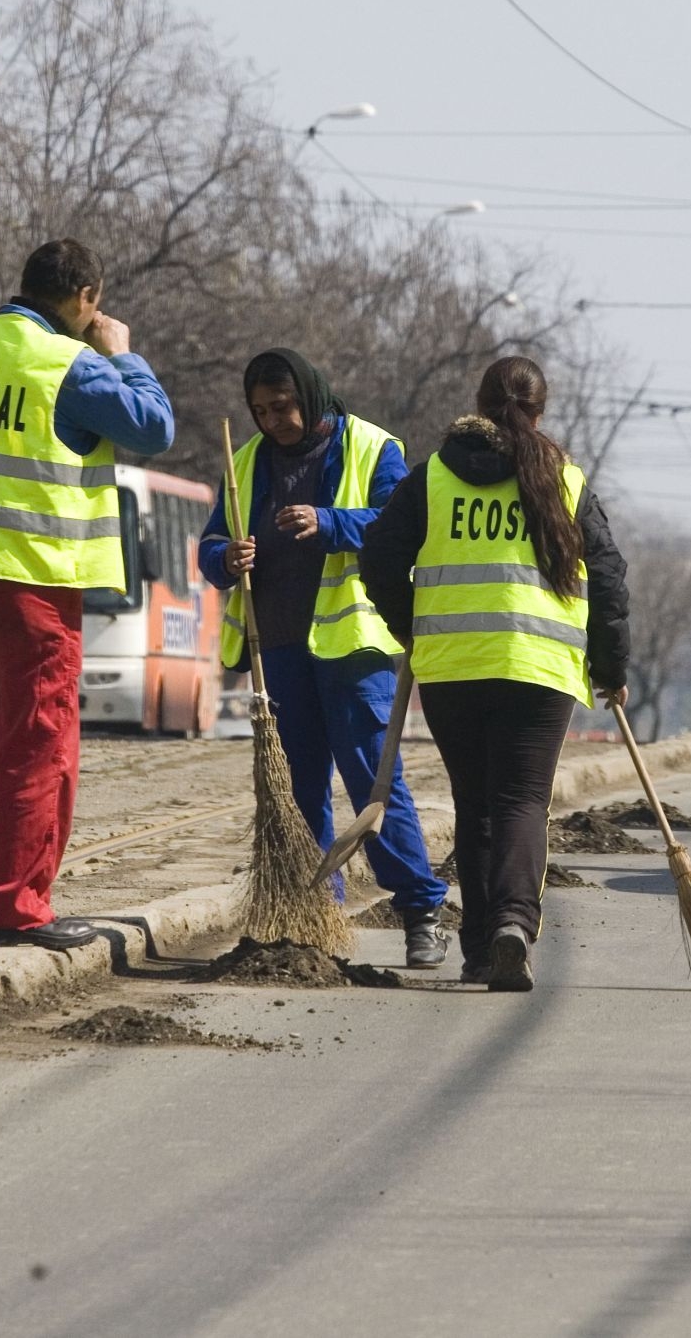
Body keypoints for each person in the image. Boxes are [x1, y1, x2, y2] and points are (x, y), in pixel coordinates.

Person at [0, 238, 174, 951]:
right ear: (86, 299)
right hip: (36, 579)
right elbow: (155, 427)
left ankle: (6, 895)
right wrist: (124, 353)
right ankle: (17, 910)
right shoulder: (72, 364)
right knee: (39, 743)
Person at [358, 356, 629, 992]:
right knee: (521, 801)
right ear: (540, 411)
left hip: (452, 669)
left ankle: (480, 950)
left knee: (475, 803)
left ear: (478, 405)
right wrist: (611, 667)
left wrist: (410, 626)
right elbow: (610, 578)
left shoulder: (432, 478)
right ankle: (513, 922)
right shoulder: (564, 480)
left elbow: (378, 557)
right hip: (538, 670)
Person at [198, 347, 449, 967]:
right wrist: (225, 558)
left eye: (281, 407)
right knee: (297, 787)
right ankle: (316, 915)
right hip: (278, 648)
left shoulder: (372, 447)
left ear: (309, 395)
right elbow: (209, 543)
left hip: (351, 651)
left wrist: (329, 522)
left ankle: (420, 910)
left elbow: (401, 524)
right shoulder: (248, 460)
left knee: (373, 780)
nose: (272, 421)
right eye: (259, 411)